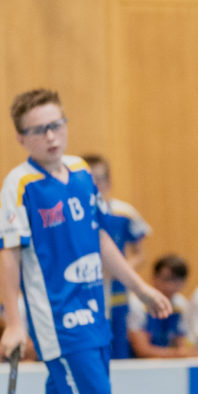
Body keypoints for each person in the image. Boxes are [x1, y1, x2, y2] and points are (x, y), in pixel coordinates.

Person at [0, 88, 172, 394]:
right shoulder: (19, 185)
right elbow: (9, 255)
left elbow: (98, 238)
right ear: (22, 138)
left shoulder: (79, 172)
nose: (51, 137)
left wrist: (140, 288)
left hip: (94, 312)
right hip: (57, 321)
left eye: (57, 125)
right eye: (39, 130)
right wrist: (14, 324)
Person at [83, 154, 151, 361]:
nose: (96, 184)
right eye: (90, 179)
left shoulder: (124, 213)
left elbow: (140, 254)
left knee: (119, 345)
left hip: (117, 293)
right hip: (86, 292)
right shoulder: (73, 216)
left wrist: (120, 270)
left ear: (109, 181)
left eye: (100, 178)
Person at [127, 254, 198, 358]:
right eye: (166, 279)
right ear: (154, 278)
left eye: (176, 281)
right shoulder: (138, 305)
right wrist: (178, 354)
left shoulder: (181, 305)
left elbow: (182, 343)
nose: (170, 286)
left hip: (166, 363)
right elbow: (142, 350)